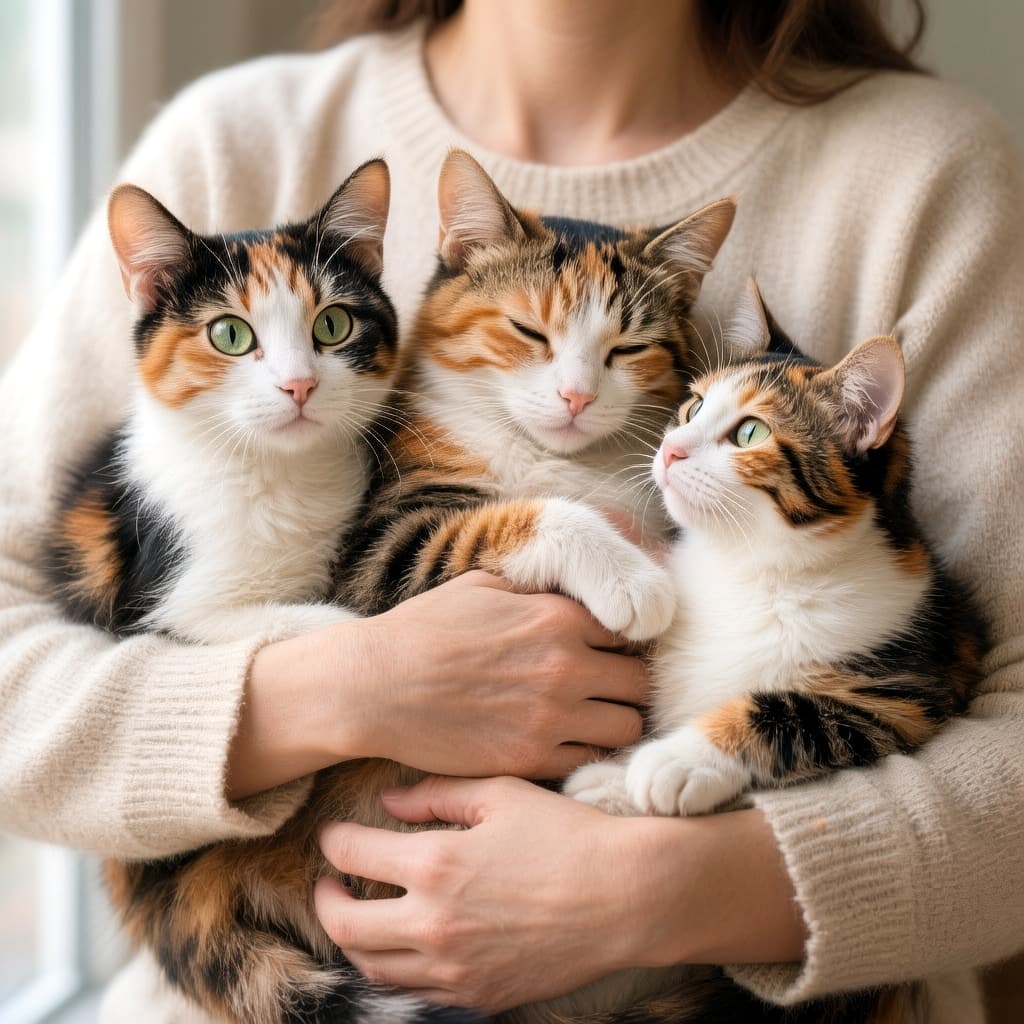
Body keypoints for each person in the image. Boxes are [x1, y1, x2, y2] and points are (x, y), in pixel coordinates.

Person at [0, 1, 1021, 1021]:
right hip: (272, 968)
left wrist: (660, 891)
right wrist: (339, 688)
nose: (574, 395)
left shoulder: (923, 170)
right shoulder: (236, 142)